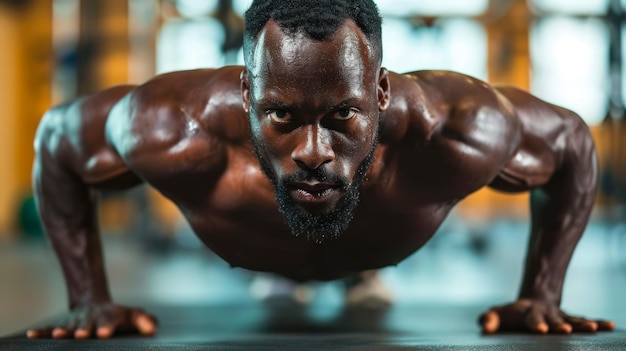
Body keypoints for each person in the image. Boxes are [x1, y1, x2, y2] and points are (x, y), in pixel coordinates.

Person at [27, 0, 614, 340]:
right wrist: (89, 299)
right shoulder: (172, 128)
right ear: (246, 90)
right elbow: (56, 141)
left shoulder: (453, 129)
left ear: (381, 92)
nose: (312, 150)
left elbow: (570, 142)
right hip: (262, 248)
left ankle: (358, 275)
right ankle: (287, 272)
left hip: (363, 247)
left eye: (342, 114)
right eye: (281, 113)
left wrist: (542, 293)